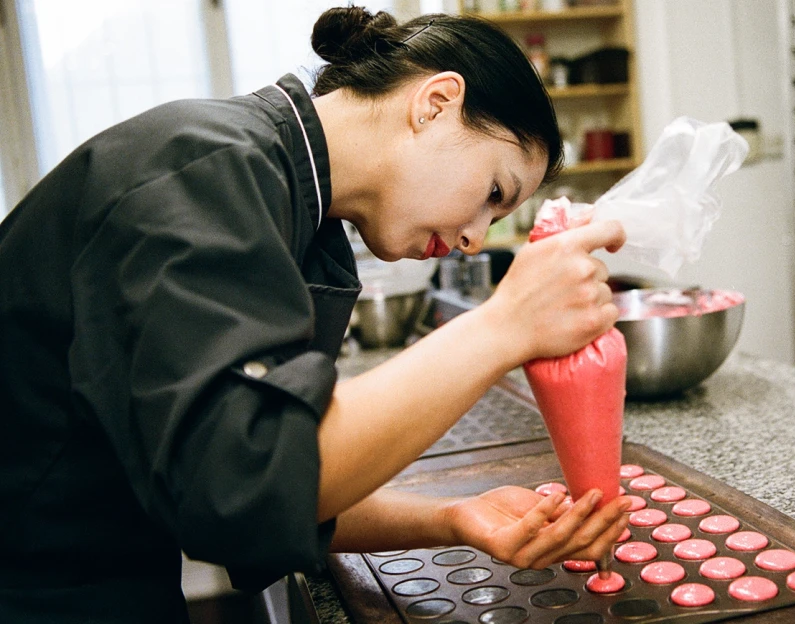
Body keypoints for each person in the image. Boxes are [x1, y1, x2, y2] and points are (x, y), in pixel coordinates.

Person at [0, 6, 630, 623]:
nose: (474, 238)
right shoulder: (204, 170)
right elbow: (240, 480)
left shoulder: (294, 207)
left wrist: (449, 518)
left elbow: (274, 473)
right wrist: (504, 324)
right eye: (494, 192)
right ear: (435, 103)